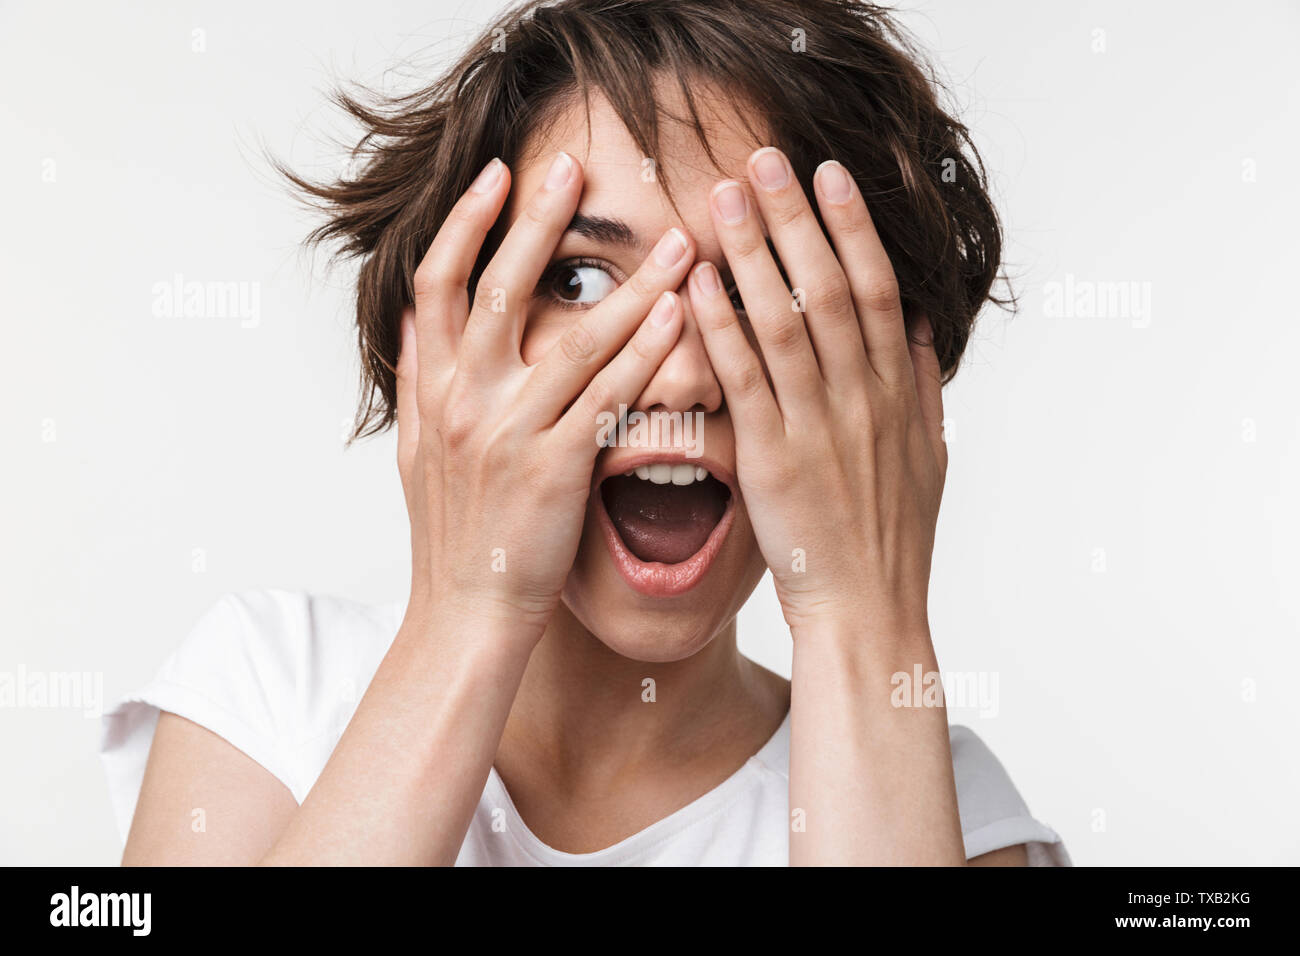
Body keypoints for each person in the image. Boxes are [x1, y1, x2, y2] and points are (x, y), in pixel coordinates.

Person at [101, 0, 1069, 866]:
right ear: (449, 346)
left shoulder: (954, 814)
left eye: (758, 287)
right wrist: (468, 607)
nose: (686, 370)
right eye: (580, 279)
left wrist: (862, 610)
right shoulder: (269, 694)